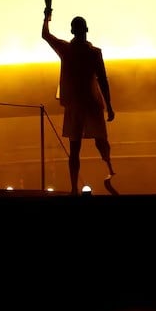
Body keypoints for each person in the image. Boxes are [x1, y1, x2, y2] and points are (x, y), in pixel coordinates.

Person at [42, 13, 115, 194]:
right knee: (100, 140)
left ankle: (75, 188)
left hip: (75, 104)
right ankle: (109, 167)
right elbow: (103, 81)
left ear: (73, 31)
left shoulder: (67, 50)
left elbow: (46, 35)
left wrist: (47, 18)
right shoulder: (94, 53)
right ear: (86, 30)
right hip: (91, 102)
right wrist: (110, 106)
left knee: (75, 149)